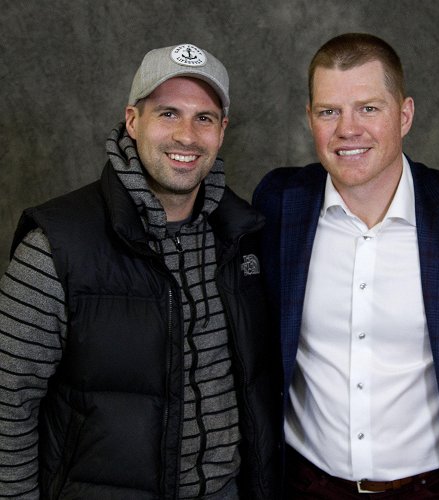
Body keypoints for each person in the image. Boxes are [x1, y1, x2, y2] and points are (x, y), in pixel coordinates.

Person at [0, 43, 280, 499]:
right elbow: (8, 399)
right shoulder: (57, 245)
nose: (186, 136)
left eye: (204, 118)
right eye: (168, 113)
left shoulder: (244, 236)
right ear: (133, 121)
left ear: (222, 130)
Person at [253, 33, 439, 498]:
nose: (348, 129)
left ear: (404, 116)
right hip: (305, 485)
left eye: (369, 108)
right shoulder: (280, 204)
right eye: (329, 112)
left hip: (433, 488)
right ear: (310, 118)